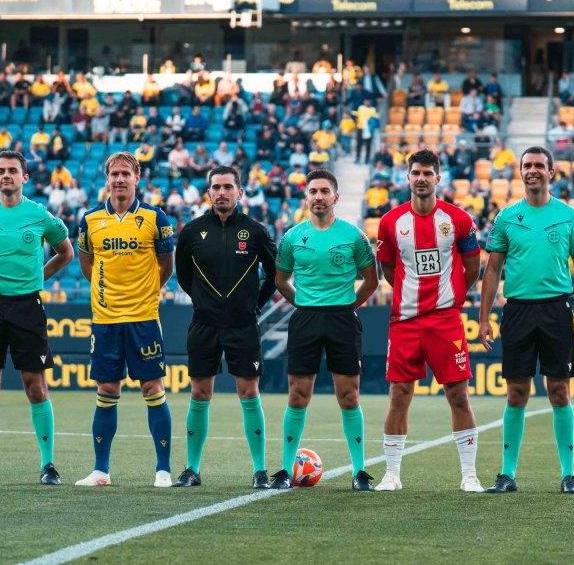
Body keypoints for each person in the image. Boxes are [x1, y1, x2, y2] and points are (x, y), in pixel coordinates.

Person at [0, 150, 75, 485]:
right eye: (0, 171)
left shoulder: (39, 215)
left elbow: (67, 252)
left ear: (24, 177)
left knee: (35, 386)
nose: (6, 175)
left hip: (26, 306)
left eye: (12, 171)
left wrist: (39, 277)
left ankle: (48, 466)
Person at [478, 146, 574, 495]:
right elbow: (492, 269)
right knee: (517, 393)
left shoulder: (567, 215)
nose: (533, 171)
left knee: (560, 391)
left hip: (557, 310)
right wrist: (483, 319)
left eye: (539, 166)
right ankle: (506, 475)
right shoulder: (506, 217)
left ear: (551, 171)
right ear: (520, 172)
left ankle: (569, 475)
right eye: (527, 166)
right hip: (517, 311)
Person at [374, 150, 483, 492]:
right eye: (415, 173)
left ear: (439, 178)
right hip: (405, 321)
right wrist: (411, 293)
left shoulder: (459, 220)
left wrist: (450, 298)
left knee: (458, 395)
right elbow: (389, 268)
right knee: (399, 394)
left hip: (445, 320)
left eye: (427, 173)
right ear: (407, 178)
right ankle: (391, 474)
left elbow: (473, 267)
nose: (421, 179)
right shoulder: (391, 222)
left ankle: (469, 475)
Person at [270, 169, 379, 491]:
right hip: (305, 320)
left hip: (342, 319)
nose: (318, 197)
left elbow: (371, 281)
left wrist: (347, 308)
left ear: (335, 197)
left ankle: (360, 471)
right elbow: (280, 280)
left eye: (324, 191)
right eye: (313, 191)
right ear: (306, 198)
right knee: (297, 395)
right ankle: (286, 469)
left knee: (348, 396)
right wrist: (302, 304)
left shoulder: (353, 235)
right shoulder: (292, 238)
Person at [170, 166, 278, 489]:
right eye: (216, 187)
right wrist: (205, 301)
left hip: (243, 325)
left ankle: (259, 470)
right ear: (208, 193)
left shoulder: (256, 232)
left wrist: (255, 304)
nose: (221, 192)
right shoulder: (191, 232)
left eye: (228, 187)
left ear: (240, 193)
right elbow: (184, 276)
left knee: (249, 391)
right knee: (200, 392)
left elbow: (274, 275)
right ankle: (192, 469)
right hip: (204, 324)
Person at [75, 152, 176, 488]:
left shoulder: (155, 218)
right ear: (107, 178)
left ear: (137, 178)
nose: (120, 179)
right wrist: (109, 294)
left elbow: (166, 265)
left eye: (126, 174)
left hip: (144, 318)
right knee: (106, 389)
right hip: (105, 320)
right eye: (114, 174)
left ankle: (163, 470)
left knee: (152, 388)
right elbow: (87, 266)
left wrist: (145, 292)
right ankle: (101, 470)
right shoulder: (89, 221)